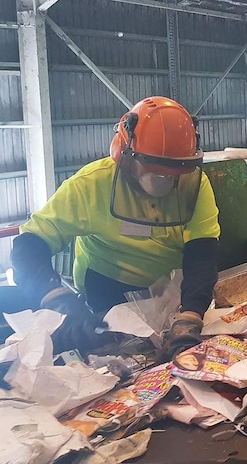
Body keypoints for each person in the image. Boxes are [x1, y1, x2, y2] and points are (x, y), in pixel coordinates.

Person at [10, 97, 220, 357]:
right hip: (104, 286)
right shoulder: (90, 184)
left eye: (173, 173)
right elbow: (29, 245)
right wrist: (56, 298)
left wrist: (190, 318)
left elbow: (202, 255)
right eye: (153, 170)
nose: (162, 183)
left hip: (168, 293)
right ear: (125, 155)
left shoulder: (194, 186)